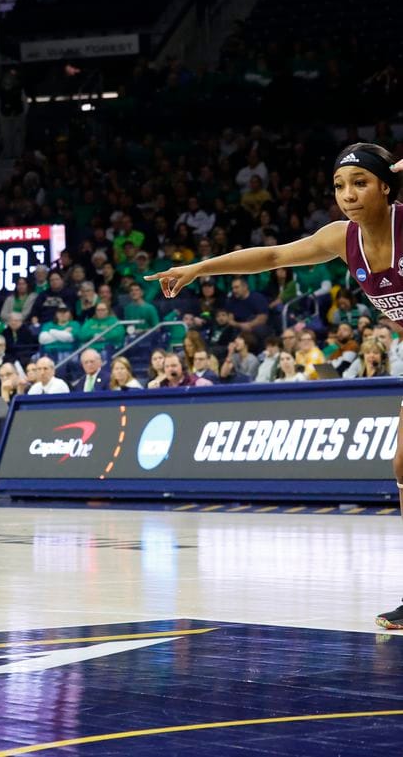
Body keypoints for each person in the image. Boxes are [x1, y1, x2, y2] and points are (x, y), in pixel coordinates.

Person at [151, 141, 403, 633]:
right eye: (339, 186)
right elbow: (271, 254)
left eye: (360, 183)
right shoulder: (341, 236)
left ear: (387, 187)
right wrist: (200, 267)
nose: (348, 195)